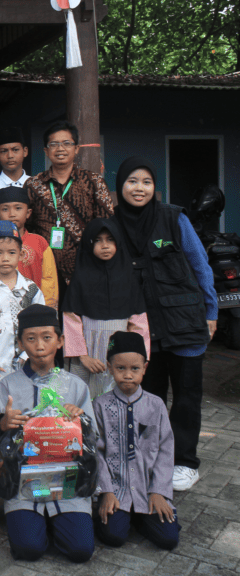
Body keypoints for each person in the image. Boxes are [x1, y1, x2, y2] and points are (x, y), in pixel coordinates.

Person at [113, 156, 216, 492]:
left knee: (186, 397)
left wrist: (211, 312)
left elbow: (200, 266)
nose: (139, 188)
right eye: (132, 181)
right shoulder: (113, 225)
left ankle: (185, 462)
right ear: (121, 187)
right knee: (149, 397)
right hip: (144, 330)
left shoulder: (174, 218)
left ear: (154, 187)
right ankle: (152, 457)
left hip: (185, 322)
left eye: (146, 182)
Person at [0, 304, 94, 564]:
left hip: (68, 484)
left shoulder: (75, 386)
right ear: (21, 343)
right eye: (30, 339)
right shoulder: (8, 385)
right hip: (23, 484)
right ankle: (37, 524)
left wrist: (80, 422)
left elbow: (94, 439)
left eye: (47, 337)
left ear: (60, 340)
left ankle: (61, 522)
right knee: (28, 550)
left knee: (81, 551)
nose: (40, 345)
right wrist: (2, 424)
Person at [94, 331, 179, 551]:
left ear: (145, 368)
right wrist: (106, 491)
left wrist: (159, 491)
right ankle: (124, 514)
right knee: (113, 536)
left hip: (148, 488)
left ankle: (140, 516)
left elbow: (166, 449)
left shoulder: (156, 405)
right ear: (110, 367)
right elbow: (96, 451)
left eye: (135, 369)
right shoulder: (101, 405)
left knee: (169, 539)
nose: (128, 375)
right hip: (117, 489)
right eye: (120, 368)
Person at [24, 120, 114, 297]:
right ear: (46, 150)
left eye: (67, 143)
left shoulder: (93, 182)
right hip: (44, 270)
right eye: (54, 144)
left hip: (86, 268)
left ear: (76, 148)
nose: (60, 149)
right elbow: (26, 226)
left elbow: (107, 224)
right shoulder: (33, 185)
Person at [63, 219, 150, 398]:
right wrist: (83, 356)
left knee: (116, 399)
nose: (105, 246)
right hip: (85, 356)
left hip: (121, 356)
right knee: (80, 401)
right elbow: (70, 320)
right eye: (98, 240)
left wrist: (139, 358)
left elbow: (139, 323)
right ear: (88, 244)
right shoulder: (80, 279)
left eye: (110, 239)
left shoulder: (128, 279)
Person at [0, 221, 46, 413]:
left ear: (20, 254)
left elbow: (41, 328)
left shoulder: (31, 290)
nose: (5, 258)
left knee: (27, 412)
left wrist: (28, 354)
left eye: (11, 253)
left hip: (28, 366)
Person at [0, 186, 58, 310]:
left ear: (28, 213)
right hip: (0, 312)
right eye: (5, 209)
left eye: (18, 208)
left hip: (36, 310)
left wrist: (46, 309)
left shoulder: (39, 242)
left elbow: (49, 280)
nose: (12, 214)